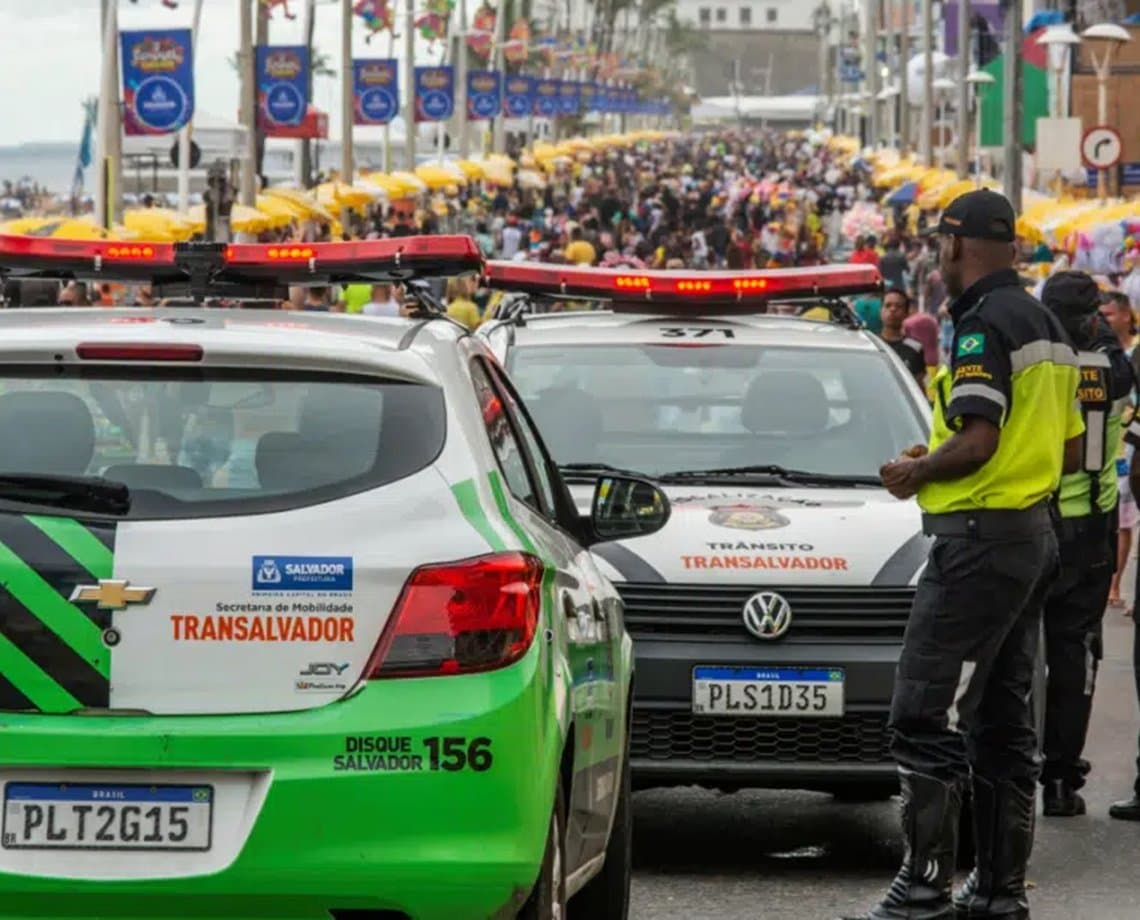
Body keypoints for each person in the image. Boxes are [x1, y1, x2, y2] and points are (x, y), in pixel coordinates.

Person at [843, 190, 1082, 920]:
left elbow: (979, 438)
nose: (936, 260)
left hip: (979, 544)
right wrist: (961, 456)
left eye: (939, 246)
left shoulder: (982, 324)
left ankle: (923, 889)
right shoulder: (1046, 322)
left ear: (955, 245)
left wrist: (919, 469)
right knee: (1003, 723)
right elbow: (1066, 446)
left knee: (924, 713)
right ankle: (999, 893)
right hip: (1031, 536)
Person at [1036, 273, 1134, 818]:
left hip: (1035, 518)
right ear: (1092, 316)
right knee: (1074, 654)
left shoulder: (1033, 364)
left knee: (1017, 651)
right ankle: (1060, 779)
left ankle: (1008, 768)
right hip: (1090, 530)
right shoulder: (1111, 369)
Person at [1100, 290, 1138, 610]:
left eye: (1109, 314)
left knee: (1125, 518)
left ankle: (1115, 585)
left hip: (1132, 443)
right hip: (1109, 445)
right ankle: (1111, 583)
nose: (1104, 320)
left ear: (1126, 315)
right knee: (1120, 517)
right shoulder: (1100, 352)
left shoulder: (1136, 352)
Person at [879, 288, 926, 388]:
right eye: (888, 305)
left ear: (906, 313)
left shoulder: (915, 348)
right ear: (881, 311)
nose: (892, 310)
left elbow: (918, 387)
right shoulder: (872, 345)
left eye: (898, 306)